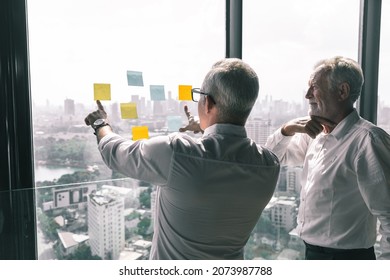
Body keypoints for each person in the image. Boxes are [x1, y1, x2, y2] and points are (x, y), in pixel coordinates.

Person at [84, 58, 280, 260]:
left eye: (200, 96)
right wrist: (207, 128)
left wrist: (100, 123)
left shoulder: (175, 152)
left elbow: (115, 153)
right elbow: (225, 158)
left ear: (208, 103)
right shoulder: (269, 165)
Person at [265, 56, 390, 260]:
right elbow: (271, 159)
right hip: (312, 253)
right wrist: (288, 129)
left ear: (342, 91)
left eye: (313, 87)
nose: (307, 95)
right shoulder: (315, 137)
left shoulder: (368, 141)